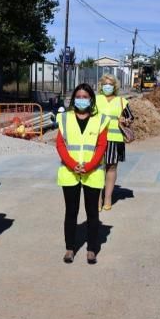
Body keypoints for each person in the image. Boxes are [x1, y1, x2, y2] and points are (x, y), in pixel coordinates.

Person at [56, 83, 109, 264]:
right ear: (73, 99)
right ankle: (70, 248)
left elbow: (102, 145)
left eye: (85, 97)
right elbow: (61, 144)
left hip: (92, 172)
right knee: (71, 212)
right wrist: (72, 165)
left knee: (92, 212)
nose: (81, 100)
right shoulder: (64, 118)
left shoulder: (101, 119)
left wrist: (89, 165)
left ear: (91, 99)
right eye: (78, 96)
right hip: (69, 172)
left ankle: (92, 249)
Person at [95, 74, 133, 211]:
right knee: (98, 169)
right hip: (97, 138)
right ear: (101, 85)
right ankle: (97, 198)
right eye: (105, 83)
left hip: (115, 140)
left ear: (115, 86)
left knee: (111, 168)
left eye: (110, 84)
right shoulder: (95, 99)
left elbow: (130, 117)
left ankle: (108, 198)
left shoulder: (122, 101)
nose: (107, 86)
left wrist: (125, 120)